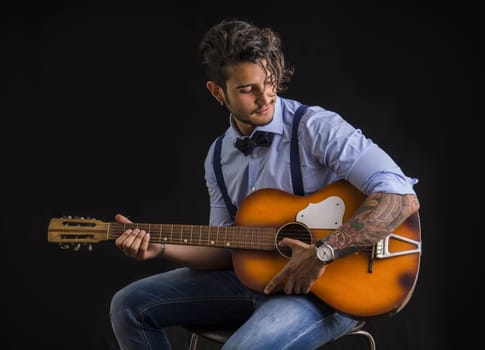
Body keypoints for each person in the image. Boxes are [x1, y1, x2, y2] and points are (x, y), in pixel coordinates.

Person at [109, 19, 420, 350]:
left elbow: (400, 197)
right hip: (253, 281)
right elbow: (226, 250)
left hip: (328, 289)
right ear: (218, 91)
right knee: (129, 304)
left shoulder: (316, 128)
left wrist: (323, 253)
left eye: (269, 82)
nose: (265, 96)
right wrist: (162, 248)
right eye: (247, 89)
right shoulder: (218, 157)